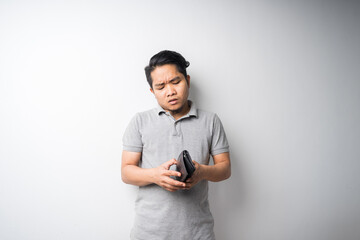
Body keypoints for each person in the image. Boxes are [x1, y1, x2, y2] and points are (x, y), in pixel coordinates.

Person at [121, 50, 231, 240]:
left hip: (198, 233)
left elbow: (225, 169)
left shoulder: (211, 121)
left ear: (187, 80)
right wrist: (155, 176)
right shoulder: (140, 121)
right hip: (148, 233)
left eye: (175, 82)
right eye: (161, 86)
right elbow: (126, 172)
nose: (170, 91)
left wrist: (201, 172)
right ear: (152, 91)